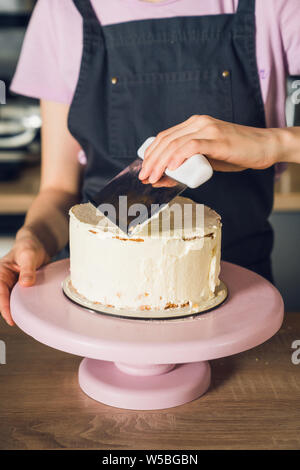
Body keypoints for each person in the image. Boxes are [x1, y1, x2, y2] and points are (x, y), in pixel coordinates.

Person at [1, 0, 300, 327]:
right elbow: (58, 190)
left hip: (239, 294)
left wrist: (275, 143)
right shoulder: (62, 8)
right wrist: (33, 237)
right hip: (96, 303)